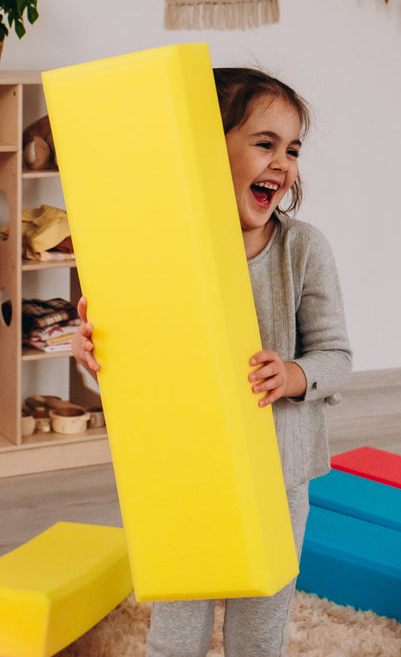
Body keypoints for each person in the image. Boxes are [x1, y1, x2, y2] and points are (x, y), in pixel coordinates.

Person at [72, 67, 353, 657]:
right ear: (205, 147)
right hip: (187, 470)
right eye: (264, 143)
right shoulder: (159, 252)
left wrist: (294, 375)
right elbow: (133, 360)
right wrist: (95, 355)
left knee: (261, 623)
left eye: (293, 149)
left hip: (278, 475)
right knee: (177, 624)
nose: (282, 162)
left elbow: (336, 355)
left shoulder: (303, 250)